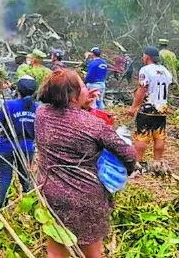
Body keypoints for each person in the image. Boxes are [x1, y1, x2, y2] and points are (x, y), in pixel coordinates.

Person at [35, 69, 137, 258]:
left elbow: (68, 119)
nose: (87, 89)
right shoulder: (94, 125)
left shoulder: (41, 114)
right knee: (92, 252)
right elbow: (129, 154)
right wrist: (129, 170)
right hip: (86, 199)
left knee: (56, 250)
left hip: (50, 192)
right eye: (82, 86)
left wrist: (84, 105)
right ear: (73, 95)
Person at [127, 47, 173, 170]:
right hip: (162, 108)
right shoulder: (165, 71)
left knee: (142, 135)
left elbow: (142, 89)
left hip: (148, 108)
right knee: (159, 135)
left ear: (147, 57)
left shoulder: (145, 70)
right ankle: (157, 162)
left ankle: (137, 163)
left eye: (143, 56)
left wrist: (134, 107)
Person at [0, 77, 36, 208]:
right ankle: (30, 206)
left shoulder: (9, 105)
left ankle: (1, 206)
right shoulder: (37, 108)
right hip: (26, 148)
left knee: (5, 177)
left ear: (18, 90)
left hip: (6, 147)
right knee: (25, 177)